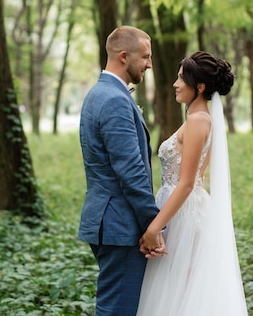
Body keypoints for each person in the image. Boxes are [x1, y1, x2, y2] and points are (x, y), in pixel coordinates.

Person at [137, 51, 248, 316]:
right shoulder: (199, 119)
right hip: (181, 208)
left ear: (199, 87)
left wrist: (155, 227)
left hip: (184, 214)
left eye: (181, 78)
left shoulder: (199, 121)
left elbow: (187, 183)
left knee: (181, 292)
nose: (175, 84)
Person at [78, 25, 165, 316]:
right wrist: (152, 226)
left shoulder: (99, 93)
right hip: (120, 226)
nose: (150, 64)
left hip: (107, 222)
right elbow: (131, 172)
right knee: (117, 311)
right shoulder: (115, 100)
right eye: (146, 57)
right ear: (124, 56)